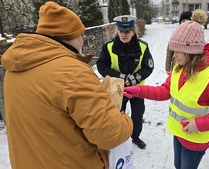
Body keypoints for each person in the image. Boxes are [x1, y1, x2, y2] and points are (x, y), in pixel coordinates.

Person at [1, 2, 133, 169]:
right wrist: (125, 119)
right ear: (72, 36)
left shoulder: (14, 68)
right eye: (81, 36)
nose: (83, 41)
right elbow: (109, 134)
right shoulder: (74, 73)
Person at [124, 21, 209, 169]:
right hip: (179, 132)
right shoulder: (180, 68)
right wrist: (137, 91)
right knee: (178, 165)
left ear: (191, 51)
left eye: (177, 51)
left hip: (195, 140)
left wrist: (198, 124)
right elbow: (164, 91)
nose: (174, 56)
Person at [96, 15, 154, 149]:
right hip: (117, 88)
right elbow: (101, 66)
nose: (124, 34)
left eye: (127, 31)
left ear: (133, 31)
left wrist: (135, 78)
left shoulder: (143, 47)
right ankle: (119, 138)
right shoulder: (109, 46)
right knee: (117, 115)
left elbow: (148, 67)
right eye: (121, 31)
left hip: (137, 89)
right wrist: (120, 76)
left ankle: (135, 136)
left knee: (138, 115)